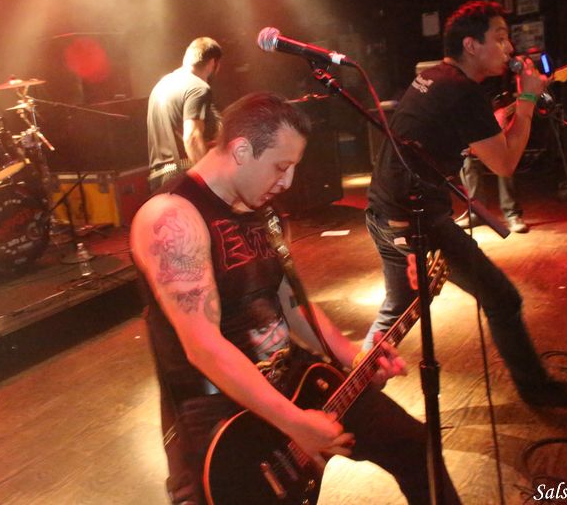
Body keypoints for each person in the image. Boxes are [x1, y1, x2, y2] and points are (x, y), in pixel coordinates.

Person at [131, 92, 460, 504]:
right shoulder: (173, 217)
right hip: (226, 418)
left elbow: (291, 304)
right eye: (280, 167)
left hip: (298, 381)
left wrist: (353, 357)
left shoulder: (262, 210)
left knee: (415, 445)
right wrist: (294, 423)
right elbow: (204, 347)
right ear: (241, 150)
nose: (287, 182)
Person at [364, 0, 567, 408]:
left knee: (398, 307)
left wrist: (499, 123)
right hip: (417, 218)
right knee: (502, 298)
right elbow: (504, 164)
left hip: (385, 210)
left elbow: (449, 137)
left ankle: (354, 387)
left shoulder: (434, 77)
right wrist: (526, 100)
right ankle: (538, 392)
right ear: (471, 45)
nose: (509, 48)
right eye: (500, 38)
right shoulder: (462, 92)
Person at [146, 37, 222, 192]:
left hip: (158, 179)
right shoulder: (198, 88)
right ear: (213, 63)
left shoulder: (162, 85)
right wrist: (211, 180)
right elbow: (192, 137)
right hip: (183, 174)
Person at [457, 76, 528, 233]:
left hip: (498, 114)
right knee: (468, 162)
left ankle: (512, 213)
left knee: (504, 162)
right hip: (473, 117)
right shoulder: (462, 75)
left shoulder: (498, 68)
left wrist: (503, 109)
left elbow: (512, 91)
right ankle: (477, 213)